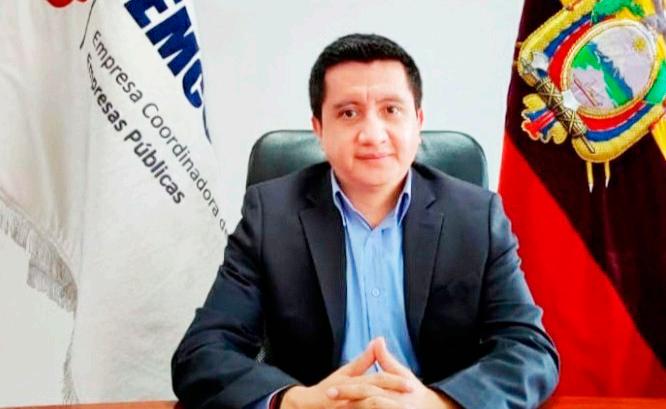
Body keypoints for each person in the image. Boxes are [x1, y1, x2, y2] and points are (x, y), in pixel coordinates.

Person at [171, 33, 559, 409]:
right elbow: (201, 353)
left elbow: (530, 350)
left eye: (391, 110)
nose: (373, 134)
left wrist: (439, 403)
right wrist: (297, 401)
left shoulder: (475, 216)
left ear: (418, 121)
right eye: (348, 113)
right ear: (319, 129)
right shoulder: (271, 216)